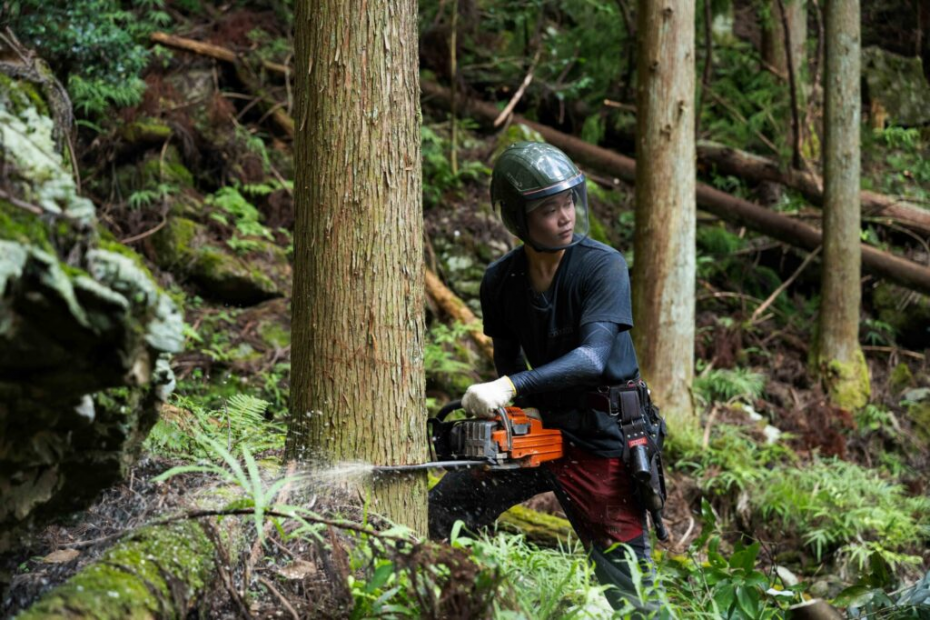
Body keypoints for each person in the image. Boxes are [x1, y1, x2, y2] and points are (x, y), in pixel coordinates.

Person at [428, 141, 660, 616]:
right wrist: (510, 402)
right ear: (519, 219)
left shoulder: (602, 266)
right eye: (548, 208)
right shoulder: (501, 281)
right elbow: (508, 362)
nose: (565, 217)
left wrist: (511, 389)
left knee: (628, 585)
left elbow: (593, 358)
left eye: (569, 202)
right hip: (542, 433)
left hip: (604, 438)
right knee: (444, 508)